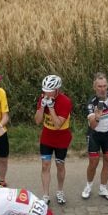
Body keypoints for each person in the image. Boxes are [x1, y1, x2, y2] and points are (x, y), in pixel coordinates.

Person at [81, 72, 108, 200]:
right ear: (94, 87)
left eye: (104, 86)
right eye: (99, 86)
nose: (102, 89)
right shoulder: (91, 103)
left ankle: (103, 188)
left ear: (107, 85)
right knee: (93, 163)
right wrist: (97, 117)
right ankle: (88, 185)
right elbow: (93, 126)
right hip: (94, 135)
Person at [34, 74, 73, 205]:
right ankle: (45, 195)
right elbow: (37, 121)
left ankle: (60, 191)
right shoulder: (43, 98)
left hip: (61, 138)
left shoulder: (65, 101)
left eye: (49, 91)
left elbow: (57, 125)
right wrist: (41, 107)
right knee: (45, 165)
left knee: (60, 165)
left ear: (57, 90)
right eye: (44, 90)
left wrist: (50, 108)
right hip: (46, 137)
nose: (46, 93)